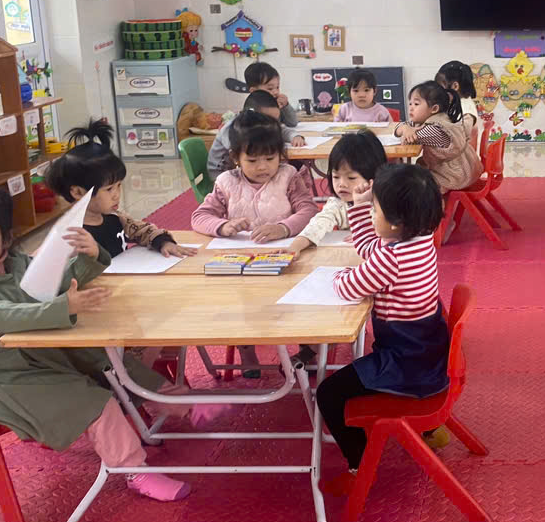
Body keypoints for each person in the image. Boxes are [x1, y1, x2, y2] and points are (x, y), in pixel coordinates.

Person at [0, 184, 220, 502]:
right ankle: (133, 471)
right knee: (93, 400)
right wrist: (63, 307)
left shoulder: (14, 263)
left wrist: (89, 256)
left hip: (35, 357)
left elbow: (54, 282)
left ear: (6, 238)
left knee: (107, 361)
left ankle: (180, 404)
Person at [316, 163, 449, 495]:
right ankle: (430, 430)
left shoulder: (391, 259)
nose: (371, 214)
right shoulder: (419, 240)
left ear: (395, 222)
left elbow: (347, 287)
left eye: (374, 209)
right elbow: (369, 249)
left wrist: (337, 274)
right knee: (341, 385)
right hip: (427, 354)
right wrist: (359, 207)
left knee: (328, 393)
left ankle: (359, 466)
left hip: (406, 365)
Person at [192, 111, 317, 377]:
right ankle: (246, 350)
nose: (262, 167)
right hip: (243, 267)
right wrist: (222, 226)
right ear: (235, 157)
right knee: (241, 307)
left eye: (270, 159)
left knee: (304, 301)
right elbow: (199, 217)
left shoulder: (288, 176)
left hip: (286, 260)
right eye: (252, 160)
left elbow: (308, 210)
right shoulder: (226, 183)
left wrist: (283, 227)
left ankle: (308, 348)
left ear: (281, 155)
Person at [47, 119, 196, 261]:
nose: (117, 195)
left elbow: (143, 230)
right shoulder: (71, 234)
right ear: (78, 192)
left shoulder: (115, 217)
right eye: (109, 189)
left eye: (119, 186)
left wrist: (164, 242)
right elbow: (70, 273)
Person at [289, 131, 387, 254]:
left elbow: (400, 230)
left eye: (351, 178)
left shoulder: (386, 203)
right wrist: (295, 247)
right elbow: (318, 224)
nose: (342, 184)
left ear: (374, 178)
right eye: (336, 177)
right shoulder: (338, 204)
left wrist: (368, 236)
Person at [393, 81, 482, 193]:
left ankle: (432, 202)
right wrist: (405, 128)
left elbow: (407, 138)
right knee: (418, 168)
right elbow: (399, 128)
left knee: (413, 182)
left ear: (434, 109)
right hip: (465, 167)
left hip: (455, 175)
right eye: (410, 103)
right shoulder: (441, 117)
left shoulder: (433, 129)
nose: (410, 108)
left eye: (416, 104)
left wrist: (405, 129)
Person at [208, 90, 306, 178]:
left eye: (275, 121)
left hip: (247, 169)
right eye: (269, 120)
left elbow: (281, 129)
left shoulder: (265, 125)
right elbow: (244, 152)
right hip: (221, 173)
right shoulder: (233, 127)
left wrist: (295, 136)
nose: (273, 124)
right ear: (253, 115)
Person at [244, 60, 298, 128]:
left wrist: (286, 105)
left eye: (277, 87)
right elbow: (265, 129)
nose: (276, 92)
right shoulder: (252, 108)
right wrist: (273, 112)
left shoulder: (276, 102)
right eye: (270, 88)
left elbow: (293, 123)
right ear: (254, 91)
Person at [436, 60, 479, 130]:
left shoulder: (466, 112)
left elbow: (457, 134)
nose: (437, 92)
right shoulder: (455, 104)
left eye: (440, 88)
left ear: (455, 86)